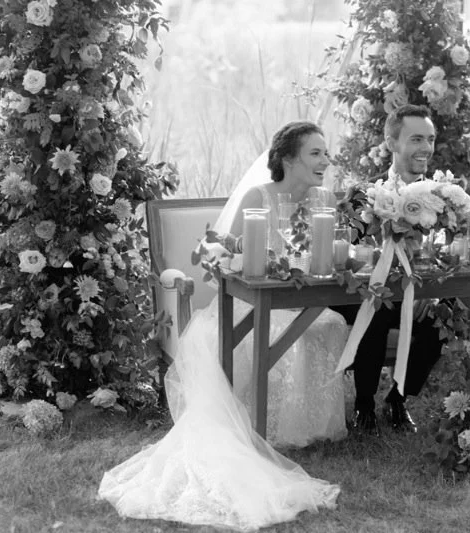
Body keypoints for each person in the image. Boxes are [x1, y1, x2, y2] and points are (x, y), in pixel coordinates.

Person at [98, 121, 348, 531]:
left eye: (326, 152)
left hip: (302, 300)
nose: (326, 160)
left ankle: (307, 426)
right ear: (288, 159)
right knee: (268, 333)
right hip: (247, 302)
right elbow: (223, 260)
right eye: (315, 153)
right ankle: (260, 428)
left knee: (332, 323)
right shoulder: (258, 197)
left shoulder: (326, 200)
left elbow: (324, 260)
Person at [332, 104, 447, 436]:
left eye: (430, 139)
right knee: (378, 306)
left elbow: (449, 255)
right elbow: (346, 253)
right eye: (415, 139)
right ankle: (364, 403)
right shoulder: (363, 196)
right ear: (392, 142)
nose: (425, 147)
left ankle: (398, 398)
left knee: (441, 313)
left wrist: (433, 292)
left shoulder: (442, 200)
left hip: (416, 292)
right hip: (366, 294)